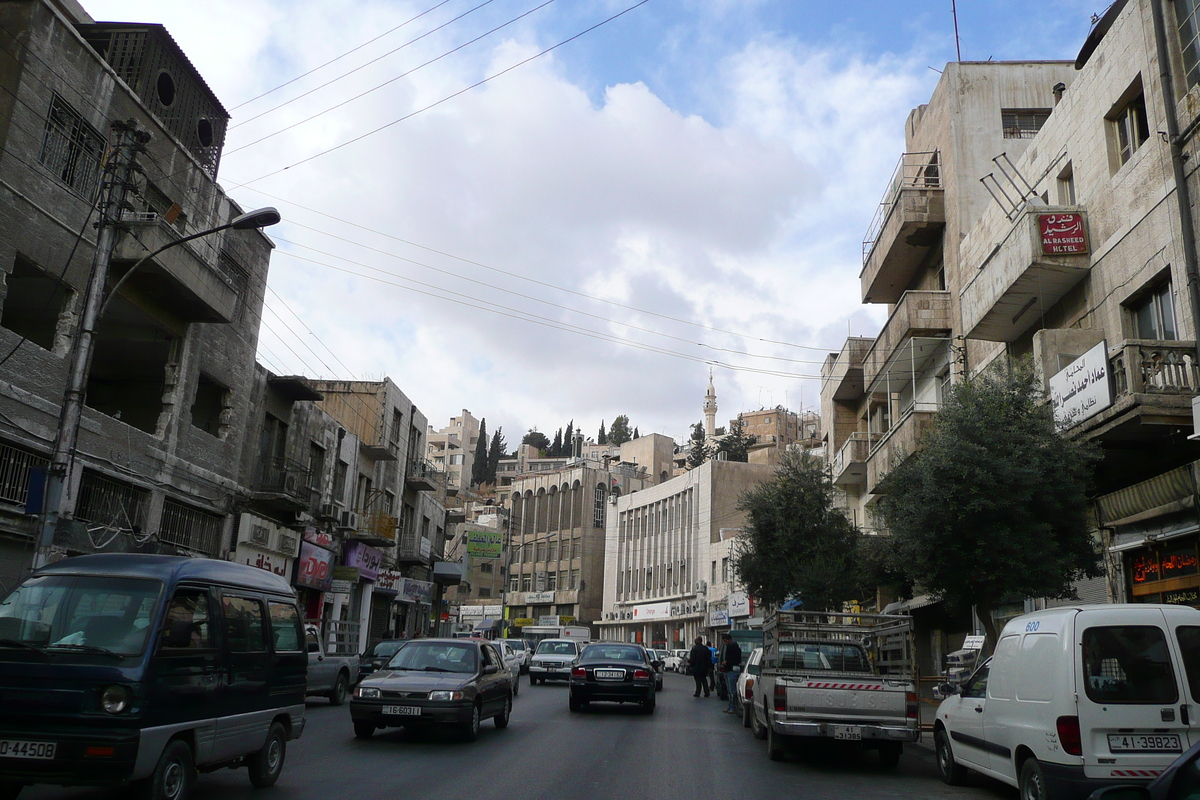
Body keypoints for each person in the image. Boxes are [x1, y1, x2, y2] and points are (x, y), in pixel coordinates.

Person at [721, 633, 743, 713]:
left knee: (732, 691)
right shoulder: (729, 647)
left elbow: (736, 660)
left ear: (729, 639)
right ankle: (731, 706)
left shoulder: (734, 648)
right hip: (728, 670)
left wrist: (727, 662)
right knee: (730, 691)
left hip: (731, 670)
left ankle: (732, 707)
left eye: (725, 641)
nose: (725, 642)